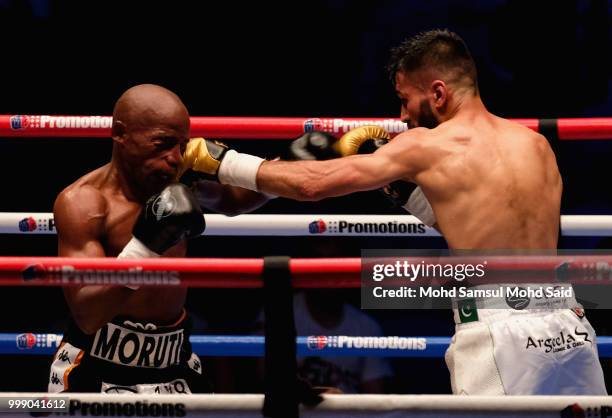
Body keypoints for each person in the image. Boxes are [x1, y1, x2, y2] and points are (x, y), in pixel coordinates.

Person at [187, 30, 606, 395]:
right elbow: (483, 219)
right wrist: (407, 193)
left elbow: (312, 185)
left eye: (405, 100)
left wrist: (224, 161)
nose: (401, 116)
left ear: (438, 93)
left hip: (498, 327)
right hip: (567, 318)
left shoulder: (425, 145)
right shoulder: (536, 145)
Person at [48, 84, 269, 393]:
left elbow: (235, 200)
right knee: (27, 409)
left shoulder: (178, 182)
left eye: (182, 145)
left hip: (174, 361)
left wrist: (294, 164)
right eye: (162, 144)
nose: (175, 158)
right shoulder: (84, 203)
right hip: (97, 364)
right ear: (120, 133)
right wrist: (146, 245)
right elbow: (88, 314)